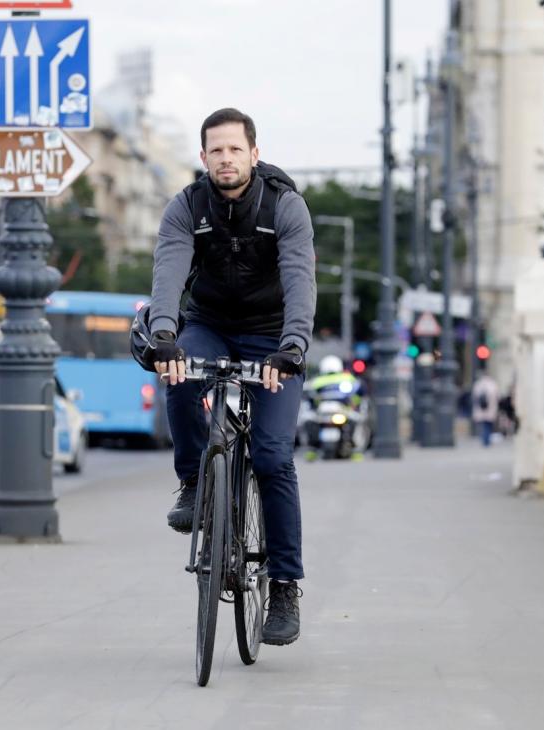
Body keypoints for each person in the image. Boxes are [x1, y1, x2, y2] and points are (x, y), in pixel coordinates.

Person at [145, 108, 316, 647]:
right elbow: (169, 272)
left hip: (272, 339)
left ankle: (285, 585)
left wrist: (292, 347)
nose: (225, 158)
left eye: (235, 150)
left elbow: (299, 279)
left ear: (254, 154)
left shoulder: (285, 206)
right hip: (209, 325)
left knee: (271, 456)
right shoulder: (186, 207)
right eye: (215, 150)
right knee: (176, 374)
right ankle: (195, 483)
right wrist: (165, 333)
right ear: (203, 158)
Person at [471, 369, 500, 447]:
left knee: (484, 425)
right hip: (490, 409)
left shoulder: (478, 384)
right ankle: (486, 440)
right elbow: (496, 396)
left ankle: (485, 440)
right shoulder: (492, 384)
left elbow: (475, 396)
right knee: (488, 425)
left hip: (481, 410)